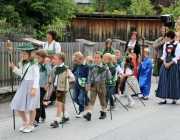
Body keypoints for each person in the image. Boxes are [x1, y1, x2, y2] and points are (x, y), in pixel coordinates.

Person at [9, 45, 40, 133]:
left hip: (32, 85)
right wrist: (14, 68)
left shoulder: (34, 64)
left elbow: (37, 77)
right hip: (23, 85)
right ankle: (25, 120)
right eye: (22, 54)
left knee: (31, 107)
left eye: (24, 54)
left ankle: (31, 125)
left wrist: (34, 88)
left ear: (29, 54)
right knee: (17, 104)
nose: (22, 55)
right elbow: (22, 74)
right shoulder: (24, 63)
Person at [49, 52, 74, 128]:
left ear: (60, 60)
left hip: (63, 88)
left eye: (55, 59)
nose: (54, 60)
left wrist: (68, 76)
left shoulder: (65, 68)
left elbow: (73, 76)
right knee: (61, 103)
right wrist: (48, 84)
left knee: (59, 103)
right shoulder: (54, 67)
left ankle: (57, 120)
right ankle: (66, 117)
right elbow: (52, 76)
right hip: (56, 87)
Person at [84, 51, 111, 121]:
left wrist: (108, 71)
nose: (96, 59)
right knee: (91, 99)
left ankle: (103, 112)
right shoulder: (92, 67)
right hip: (93, 85)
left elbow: (109, 77)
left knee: (102, 100)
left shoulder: (104, 68)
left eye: (98, 58)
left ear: (101, 59)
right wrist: (88, 84)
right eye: (95, 58)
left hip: (101, 85)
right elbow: (89, 77)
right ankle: (89, 114)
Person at [156, 30, 180, 104]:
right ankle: (163, 98)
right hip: (165, 62)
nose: (166, 37)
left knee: (173, 80)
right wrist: (165, 63)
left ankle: (174, 98)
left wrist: (169, 64)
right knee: (164, 79)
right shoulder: (166, 44)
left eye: (166, 36)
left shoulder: (178, 45)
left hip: (173, 64)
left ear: (170, 37)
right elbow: (164, 55)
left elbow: (177, 56)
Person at [43, 30, 61, 106]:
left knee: (50, 81)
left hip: (53, 64)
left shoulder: (56, 44)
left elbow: (58, 55)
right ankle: (51, 98)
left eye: (50, 35)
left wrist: (52, 62)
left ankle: (46, 99)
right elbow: (43, 54)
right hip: (45, 64)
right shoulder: (44, 44)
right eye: (48, 34)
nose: (48, 36)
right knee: (46, 80)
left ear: (53, 36)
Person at [33, 49, 51, 126]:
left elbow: (49, 72)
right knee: (39, 102)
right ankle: (43, 116)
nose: (37, 59)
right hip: (36, 86)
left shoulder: (47, 65)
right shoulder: (37, 65)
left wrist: (47, 64)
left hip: (43, 87)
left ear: (44, 58)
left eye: (39, 58)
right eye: (37, 57)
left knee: (37, 102)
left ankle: (36, 119)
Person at [72, 51, 90, 118]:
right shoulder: (76, 64)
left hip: (83, 85)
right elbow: (72, 71)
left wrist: (87, 85)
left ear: (82, 59)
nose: (77, 63)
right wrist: (69, 75)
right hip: (76, 84)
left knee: (81, 99)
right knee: (74, 98)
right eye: (76, 62)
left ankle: (81, 111)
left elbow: (89, 76)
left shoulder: (87, 66)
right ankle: (83, 105)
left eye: (78, 62)